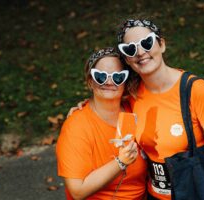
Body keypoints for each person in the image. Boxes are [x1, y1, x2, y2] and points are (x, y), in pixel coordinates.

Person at [69, 19, 204, 200]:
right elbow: (105, 95)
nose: (140, 52)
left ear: (161, 44)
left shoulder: (198, 92)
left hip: (196, 194)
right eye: (130, 49)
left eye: (146, 43)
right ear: (127, 59)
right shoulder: (131, 95)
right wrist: (84, 106)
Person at [56, 47, 147, 200]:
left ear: (125, 82)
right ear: (90, 81)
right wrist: (120, 162)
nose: (109, 82)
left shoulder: (135, 109)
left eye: (118, 77)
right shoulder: (76, 126)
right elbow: (78, 191)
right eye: (100, 76)